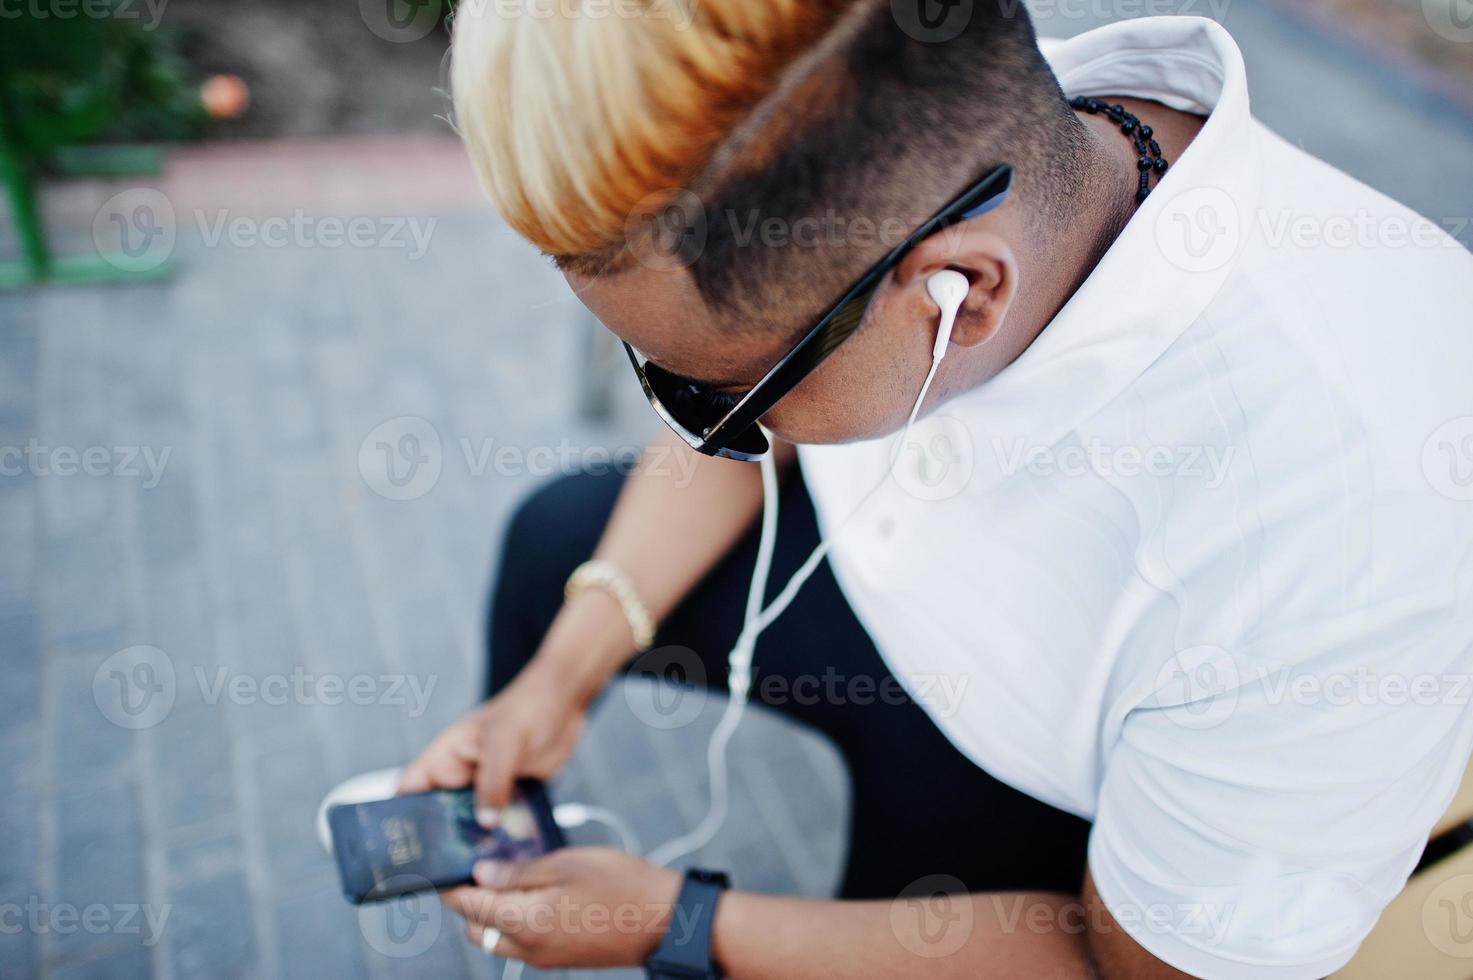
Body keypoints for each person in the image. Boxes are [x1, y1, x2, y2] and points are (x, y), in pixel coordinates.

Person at [399, 1, 1473, 976]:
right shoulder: (901, 127)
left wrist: (680, 922)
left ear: (963, 292)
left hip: (1062, 785)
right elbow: (754, 430)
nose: (687, 424)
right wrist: (560, 677)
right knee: (557, 543)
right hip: (881, 594)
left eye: (708, 392)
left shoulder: (1350, 529)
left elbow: (1133, 968)